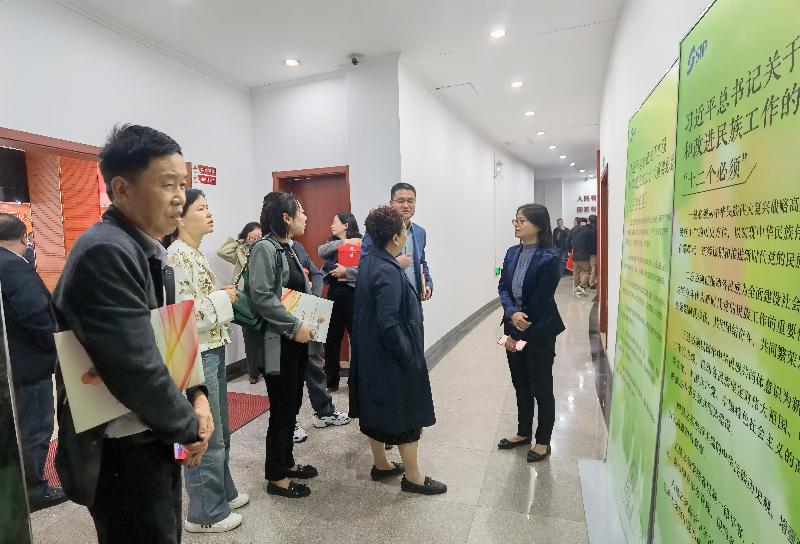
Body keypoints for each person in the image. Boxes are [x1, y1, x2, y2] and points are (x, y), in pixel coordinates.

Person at [52, 124, 213, 543]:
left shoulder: (148, 248)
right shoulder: (106, 251)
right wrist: (190, 427)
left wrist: (198, 397)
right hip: (123, 446)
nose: (180, 197)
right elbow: (135, 369)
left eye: (183, 185)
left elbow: (172, 338)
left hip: (153, 430)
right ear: (122, 190)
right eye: (167, 184)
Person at [349, 205, 446, 495]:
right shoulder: (388, 270)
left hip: (370, 351)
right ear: (395, 237)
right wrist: (407, 355)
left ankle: (381, 464)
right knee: (407, 412)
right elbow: (389, 323)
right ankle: (413, 478)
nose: (406, 233)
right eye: (403, 229)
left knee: (374, 407)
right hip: (390, 355)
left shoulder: (370, 262)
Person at [166, 189, 247, 533]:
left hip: (212, 349)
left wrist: (220, 297)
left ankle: (222, 493)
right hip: (194, 355)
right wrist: (223, 298)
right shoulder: (177, 256)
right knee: (203, 431)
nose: (209, 214)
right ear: (180, 218)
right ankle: (203, 512)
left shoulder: (193, 253)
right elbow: (181, 316)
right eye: (201, 209)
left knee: (220, 428)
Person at [246, 191, 317, 498]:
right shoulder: (265, 247)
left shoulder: (288, 247)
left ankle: (287, 462)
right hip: (279, 341)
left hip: (294, 341)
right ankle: (276, 477)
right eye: (301, 212)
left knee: (293, 403)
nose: (306, 217)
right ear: (286, 218)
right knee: (282, 408)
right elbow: (262, 296)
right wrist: (295, 326)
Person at [0, 214, 67, 511]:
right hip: (28, 364)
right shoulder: (14, 266)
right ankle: (34, 490)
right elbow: (36, 315)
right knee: (35, 428)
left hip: (10, 364)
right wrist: (58, 345)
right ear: (23, 237)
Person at [497, 203, 566, 463]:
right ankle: (523, 432)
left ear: (538, 225)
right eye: (515, 220)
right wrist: (511, 313)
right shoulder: (511, 253)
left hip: (538, 331)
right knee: (520, 383)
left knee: (541, 386)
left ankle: (543, 441)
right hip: (512, 329)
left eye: (522, 220)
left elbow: (542, 299)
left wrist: (520, 320)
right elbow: (503, 286)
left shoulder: (550, 257)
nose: (517, 224)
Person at [289, 238, 351, 442]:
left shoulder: (297, 247)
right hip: (286, 317)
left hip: (307, 311)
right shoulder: (267, 248)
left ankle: (325, 412)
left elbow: (316, 273)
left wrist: (311, 296)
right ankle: (288, 422)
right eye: (301, 219)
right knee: (289, 373)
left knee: (314, 364)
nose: (304, 221)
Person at [360, 183, 432, 302]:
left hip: (414, 298)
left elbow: (421, 262)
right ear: (391, 204)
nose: (406, 205)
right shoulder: (377, 231)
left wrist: (428, 283)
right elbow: (363, 263)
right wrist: (394, 264)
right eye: (401, 201)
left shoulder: (420, 232)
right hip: (387, 298)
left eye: (410, 201)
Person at [318, 212, 362, 391]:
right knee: (332, 338)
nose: (331, 225)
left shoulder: (362, 242)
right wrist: (345, 242)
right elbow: (320, 251)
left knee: (357, 337)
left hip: (354, 293)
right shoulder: (333, 243)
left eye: (334, 222)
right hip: (335, 292)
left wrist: (347, 272)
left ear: (346, 225)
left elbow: (367, 268)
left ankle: (356, 380)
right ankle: (331, 380)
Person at [217, 221, 263, 384]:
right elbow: (222, 251)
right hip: (244, 296)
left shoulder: (266, 250)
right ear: (246, 237)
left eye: (259, 236)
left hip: (262, 296)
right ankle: (253, 372)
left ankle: (266, 367)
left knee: (266, 334)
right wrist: (241, 241)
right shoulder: (240, 250)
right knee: (249, 335)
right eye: (253, 236)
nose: (256, 239)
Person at [571, 218, 593, 297]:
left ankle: (577, 288)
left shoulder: (573, 230)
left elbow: (567, 240)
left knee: (576, 273)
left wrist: (569, 249)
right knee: (588, 271)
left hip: (575, 255)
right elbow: (590, 243)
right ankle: (581, 286)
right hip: (584, 256)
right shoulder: (587, 231)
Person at [587, 214, 598, 289]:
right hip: (593, 251)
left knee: (587, 268)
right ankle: (591, 283)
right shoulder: (597, 229)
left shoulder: (585, 228)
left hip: (585, 251)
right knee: (593, 268)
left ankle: (585, 281)